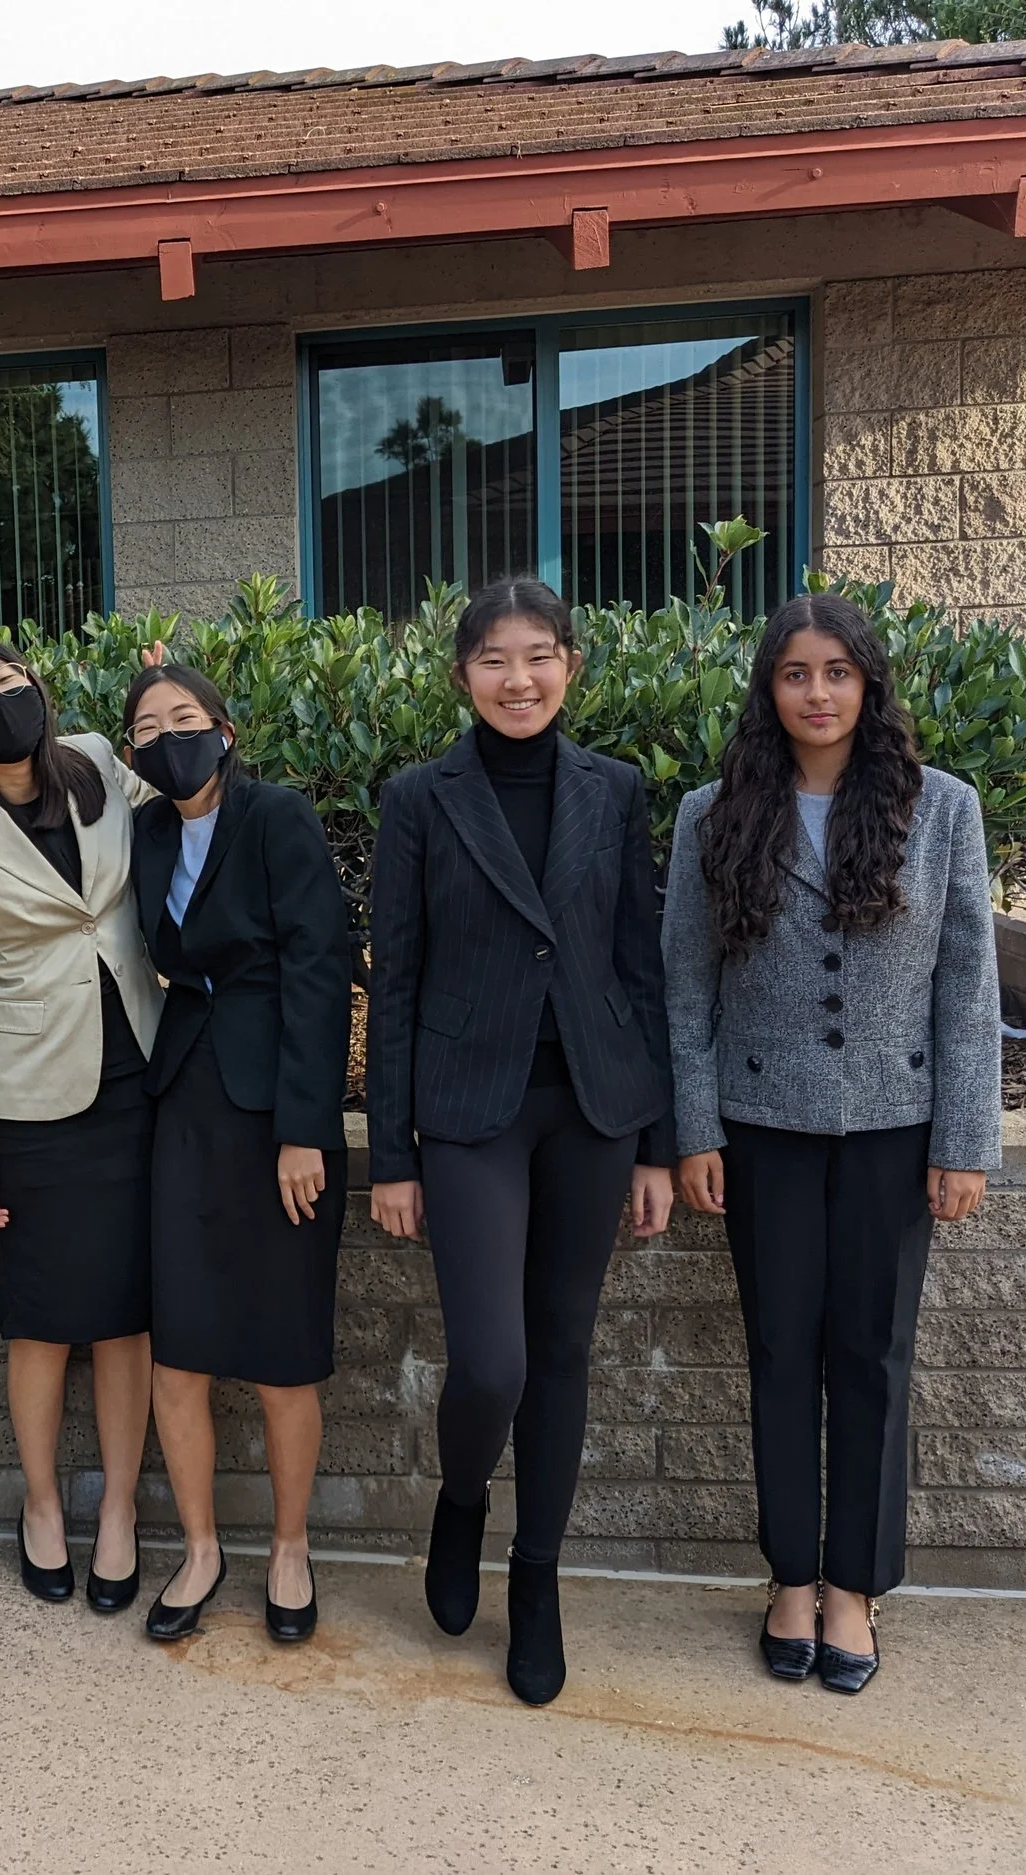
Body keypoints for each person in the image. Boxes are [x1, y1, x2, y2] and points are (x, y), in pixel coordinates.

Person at [663, 591, 998, 1696]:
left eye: (838, 673)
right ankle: (789, 1580)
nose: (817, 693)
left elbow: (966, 982)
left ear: (869, 685)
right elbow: (684, 985)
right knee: (778, 1357)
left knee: (871, 1360)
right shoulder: (712, 815)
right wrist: (696, 1128)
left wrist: (964, 1140)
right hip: (761, 1132)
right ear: (769, 687)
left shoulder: (939, 809)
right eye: (796, 673)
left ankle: (852, 1585)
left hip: (894, 1133)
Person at [366, 577, 675, 1707]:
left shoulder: (614, 789)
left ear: (570, 666)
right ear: (462, 676)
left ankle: (534, 1577)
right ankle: (462, 1500)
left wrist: (656, 1141)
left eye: (539, 654)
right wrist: (389, 1155)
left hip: (592, 1108)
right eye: (494, 658)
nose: (518, 678)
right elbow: (392, 977)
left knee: (563, 1351)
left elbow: (638, 969)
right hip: (466, 1112)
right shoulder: (418, 798)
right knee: (491, 1362)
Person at [0, 629, 162, 1613]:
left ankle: (120, 1517)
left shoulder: (99, 761)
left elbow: (190, 816)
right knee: (45, 1327)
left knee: (128, 1320)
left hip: (140, 1080)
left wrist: (164, 699)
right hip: (30, 1107)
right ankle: (45, 1506)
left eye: (9, 678)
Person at [121, 658, 352, 1644]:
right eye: (146, 726)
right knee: (179, 1347)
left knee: (279, 1351)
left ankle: (290, 1546)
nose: (166, 735)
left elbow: (319, 968)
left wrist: (305, 1129)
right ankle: (203, 1547)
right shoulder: (141, 828)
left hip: (275, 1113)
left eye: (184, 717)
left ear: (223, 728)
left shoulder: (278, 817)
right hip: (182, 1102)